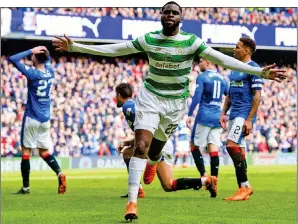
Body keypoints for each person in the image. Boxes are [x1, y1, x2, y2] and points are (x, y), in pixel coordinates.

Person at [52, 1, 287, 220]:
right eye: (167, 11)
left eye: (175, 12)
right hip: (150, 99)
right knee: (141, 145)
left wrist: (260, 72)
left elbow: (223, 60)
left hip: (175, 105)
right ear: (161, 16)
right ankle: (132, 202)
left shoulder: (192, 42)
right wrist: (75, 46)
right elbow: (115, 50)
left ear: (181, 18)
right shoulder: (149, 39)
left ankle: (154, 163)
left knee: (155, 151)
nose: (170, 15)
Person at [116, 83, 217, 199]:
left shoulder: (128, 107)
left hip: (158, 145)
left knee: (128, 153)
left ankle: (138, 189)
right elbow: (144, 135)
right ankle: (206, 181)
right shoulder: (134, 105)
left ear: (119, 95)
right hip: (163, 141)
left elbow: (147, 134)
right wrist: (126, 143)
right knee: (169, 185)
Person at [8, 46, 67, 195]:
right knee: (44, 152)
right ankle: (60, 173)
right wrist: (43, 52)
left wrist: (30, 50)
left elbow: (13, 59)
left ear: (35, 58)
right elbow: (47, 60)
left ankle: (26, 188)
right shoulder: (50, 72)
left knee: (26, 151)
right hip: (45, 119)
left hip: (32, 117)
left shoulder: (32, 74)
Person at [220, 37, 263, 201]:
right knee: (241, 151)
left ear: (247, 50)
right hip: (233, 115)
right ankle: (245, 188)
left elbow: (258, 96)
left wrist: (249, 119)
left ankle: (244, 186)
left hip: (244, 115)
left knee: (231, 146)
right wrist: (223, 113)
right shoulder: (234, 68)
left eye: (237, 47)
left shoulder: (254, 68)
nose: (234, 49)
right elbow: (229, 96)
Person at [186, 58, 229, 180]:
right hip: (217, 118)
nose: (199, 64)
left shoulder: (202, 77)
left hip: (204, 116)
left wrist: (189, 114)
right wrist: (225, 113)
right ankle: (214, 177)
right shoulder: (222, 78)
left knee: (194, 146)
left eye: (201, 61)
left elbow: (197, 97)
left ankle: (204, 175)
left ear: (208, 62)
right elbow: (229, 96)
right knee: (213, 146)